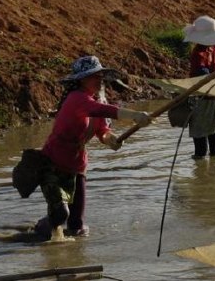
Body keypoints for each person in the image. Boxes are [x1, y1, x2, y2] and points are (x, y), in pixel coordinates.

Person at [33, 55, 151, 240]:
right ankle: (40, 230)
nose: (99, 80)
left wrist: (109, 139)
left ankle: (69, 251)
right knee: (60, 214)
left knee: (77, 226)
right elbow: (102, 110)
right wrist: (134, 115)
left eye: (99, 76)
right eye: (93, 76)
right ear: (81, 80)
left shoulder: (96, 102)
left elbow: (102, 129)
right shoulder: (76, 99)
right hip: (52, 164)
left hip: (77, 166)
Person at [183, 15, 215, 159]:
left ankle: (212, 174)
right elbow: (203, 75)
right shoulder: (198, 54)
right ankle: (200, 170)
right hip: (201, 102)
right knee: (201, 149)